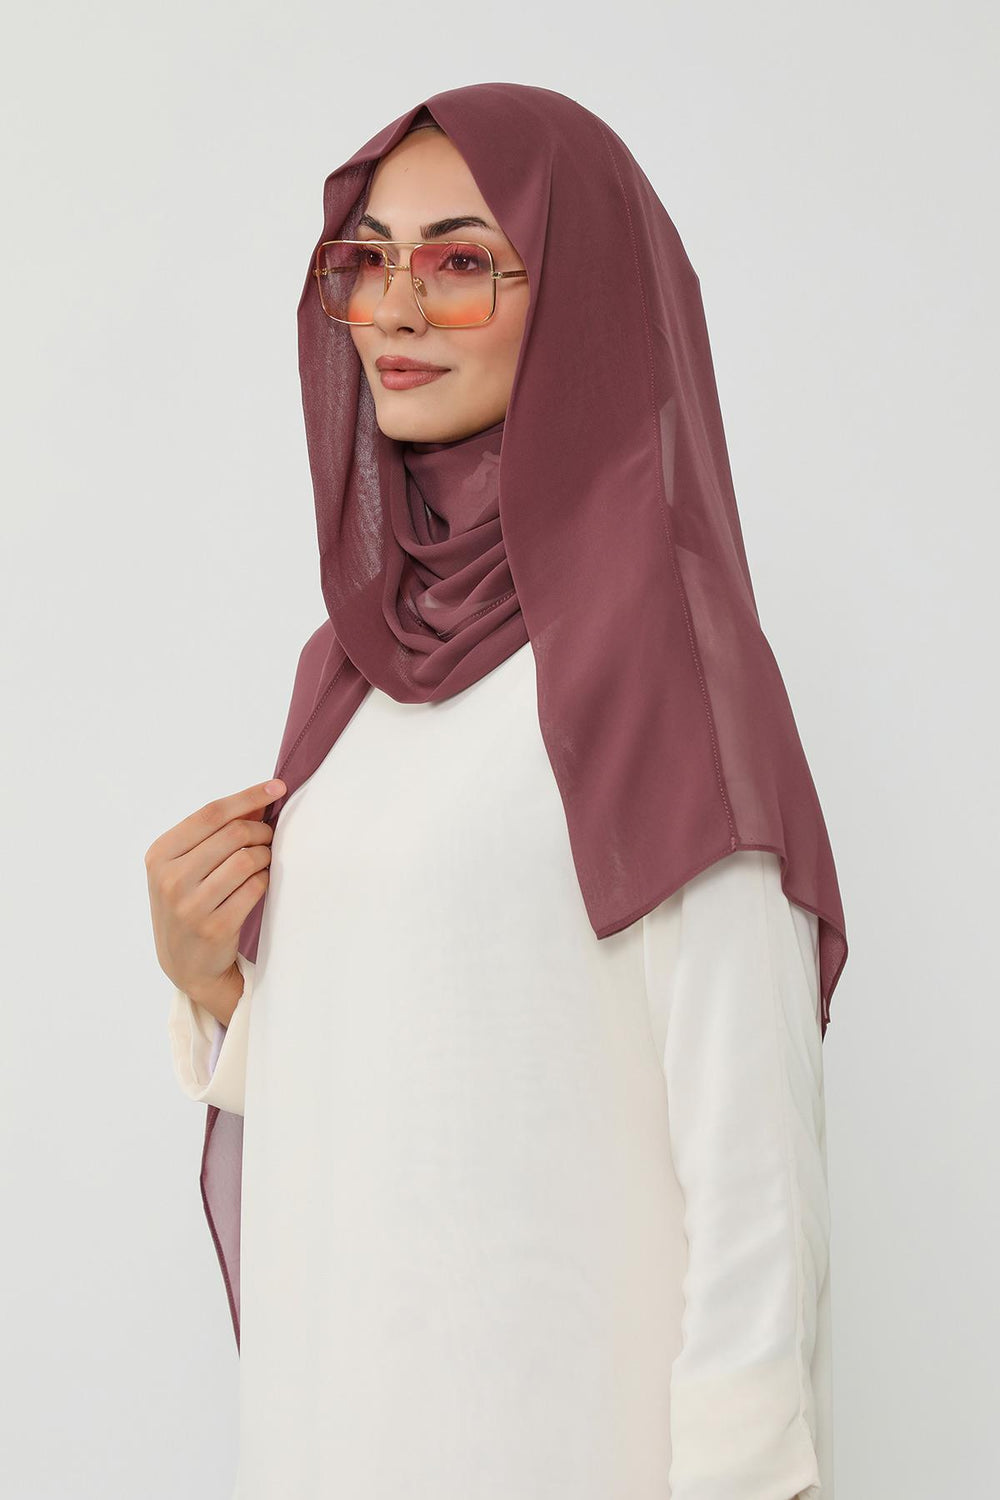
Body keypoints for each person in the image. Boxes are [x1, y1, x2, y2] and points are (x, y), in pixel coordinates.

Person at [146, 84, 846, 1500]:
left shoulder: (659, 652)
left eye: (462, 259)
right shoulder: (353, 672)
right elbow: (413, 1062)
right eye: (368, 260)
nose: (396, 308)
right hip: (339, 1427)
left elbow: (755, 1159)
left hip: (558, 1439)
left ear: (580, 289)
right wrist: (212, 982)